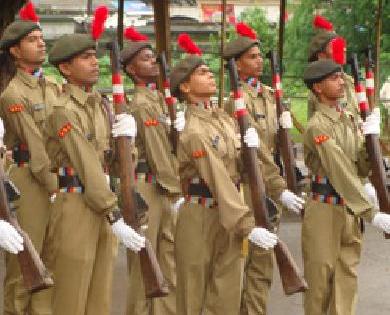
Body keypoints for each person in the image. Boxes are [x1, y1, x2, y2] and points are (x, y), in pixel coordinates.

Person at [170, 46, 279, 314]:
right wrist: (247, 224)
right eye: (201, 72)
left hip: (227, 216)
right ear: (185, 86)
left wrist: (250, 153)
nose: (210, 75)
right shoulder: (194, 130)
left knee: (226, 299)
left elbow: (239, 169)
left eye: (209, 71)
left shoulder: (224, 120)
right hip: (202, 216)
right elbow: (217, 177)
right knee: (193, 298)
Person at [45, 33, 145, 315]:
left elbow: (113, 165)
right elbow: (86, 164)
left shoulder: (101, 106)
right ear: (65, 68)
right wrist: (114, 214)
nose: (94, 62)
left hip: (102, 202)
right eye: (85, 58)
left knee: (99, 298)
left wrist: (128, 141)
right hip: (77, 205)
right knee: (71, 298)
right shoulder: (63, 111)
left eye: (94, 56)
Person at [224, 28, 304, 315]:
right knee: (243, 262)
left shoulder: (270, 96)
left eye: (260, 56)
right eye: (252, 57)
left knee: (262, 263)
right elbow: (254, 154)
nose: (259, 61)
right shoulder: (232, 101)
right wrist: (279, 187)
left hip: (269, 183)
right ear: (237, 64)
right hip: (249, 187)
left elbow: (277, 146)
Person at [302, 59, 390, 315]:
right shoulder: (318, 125)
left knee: (345, 282)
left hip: (348, 210)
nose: (342, 82)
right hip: (324, 210)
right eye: (334, 78)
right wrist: (370, 211)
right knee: (319, 285)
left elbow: (359, 168)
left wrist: (371, 140)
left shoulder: (348, 119)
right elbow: (339, 169)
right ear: (318, 87)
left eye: (342, 77)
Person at [120, 29, 184, 315]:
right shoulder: (143, 104)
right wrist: (178, 190)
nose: (154, 63)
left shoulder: (158, 100)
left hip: (163, 186)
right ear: (132, 70)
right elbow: (159, 154)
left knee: (166, 261)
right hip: (151, 185)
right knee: (145, 266)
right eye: (146, 60)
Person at [0, 19, 60, 315]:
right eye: (32, 40)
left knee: (47, 264)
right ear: (15, 50)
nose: (41, 43)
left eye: (41, 37)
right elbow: (35, 146)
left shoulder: (52, 87)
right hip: (31, 182)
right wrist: (54, 188)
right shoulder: (13, 93)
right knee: (23, 268)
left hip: (52, 180)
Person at [307, 15, 358, 120]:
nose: (343, 50)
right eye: (336, 47)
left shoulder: (349, 81)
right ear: (321, 57)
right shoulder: (322, 88)